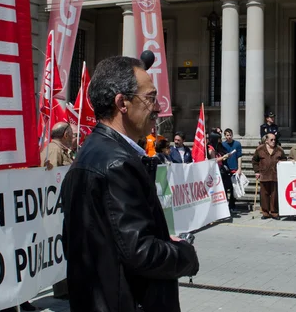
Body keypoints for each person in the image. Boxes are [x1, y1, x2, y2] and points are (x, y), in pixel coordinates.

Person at [60, 56, 199, 312]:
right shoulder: (118, 163)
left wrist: (158, 237)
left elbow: (111, 241)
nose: (157, 108)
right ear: (122, 103)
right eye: (150, 98)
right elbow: (141, 252)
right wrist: (184, 253)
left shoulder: (90, 153)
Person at [252, 133, 286, 220]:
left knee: (274, 195)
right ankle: (265, 213)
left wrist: (281, 162)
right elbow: (255, 160)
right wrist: (256, 171)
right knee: (264, 195)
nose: (273, 141)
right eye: (271, 140)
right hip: (264, 175)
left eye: (274, 140)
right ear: (266, 140)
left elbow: (284, 159)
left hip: (275, 175)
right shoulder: (260, 149)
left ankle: (274, 212)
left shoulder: (279, 149)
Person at [208, 132, 236, 214]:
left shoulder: (217, 147)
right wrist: (223, 157)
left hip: (222, 171)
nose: (220, 140)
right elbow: (213, 160)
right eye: (218, 139)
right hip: (215, 172)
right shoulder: (210, 149)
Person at [222, 128, 243, 212]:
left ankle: (232, 205)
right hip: (226, 169)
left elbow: (239, 156)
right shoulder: (222, 145)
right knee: (225, 188)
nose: (229, 137)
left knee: (233, 188)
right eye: (227, 135)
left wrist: (239, 168)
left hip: (234, 169)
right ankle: (225, 205)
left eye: (230, 135)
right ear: (225, 136)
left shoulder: (237, 144)